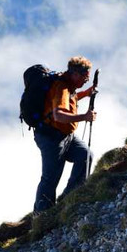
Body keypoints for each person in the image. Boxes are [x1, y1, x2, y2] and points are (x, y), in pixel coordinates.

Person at [33, 56, 97, 212]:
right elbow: (59, 115)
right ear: (75, 74)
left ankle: (70, 197)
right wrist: (84, 117)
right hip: (52, 138)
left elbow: (71, 98)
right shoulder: (61, 87)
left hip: (65, 135)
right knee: (50, 178)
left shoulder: (68, 85)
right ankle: (42, 216)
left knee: (85, 155)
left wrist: (85, 93)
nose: (86, 80)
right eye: (84, 77)